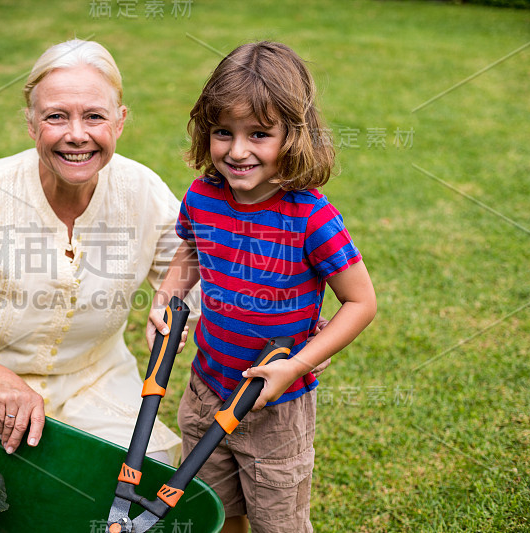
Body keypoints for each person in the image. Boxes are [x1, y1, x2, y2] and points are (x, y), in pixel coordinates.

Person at [0, 39, 196, 465]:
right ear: (30, 124)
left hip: (97, 382)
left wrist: (171, 302)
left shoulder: (143, 191)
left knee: (144, 479)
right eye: (56, 117)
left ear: (119, 122)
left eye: (94, 116)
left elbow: (196, 261)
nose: (76, 134)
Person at [147, 41, 377, 532]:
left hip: (277, 407)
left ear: (294, 135)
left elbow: (360, 302)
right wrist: (166, 301)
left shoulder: (310, 216)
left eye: (259, 134)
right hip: (207, 391)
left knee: (279, 523)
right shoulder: (203, 195)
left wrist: (297, 365)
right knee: (216, 512)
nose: (237, 151)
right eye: (222, 133)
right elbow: (190, 251)